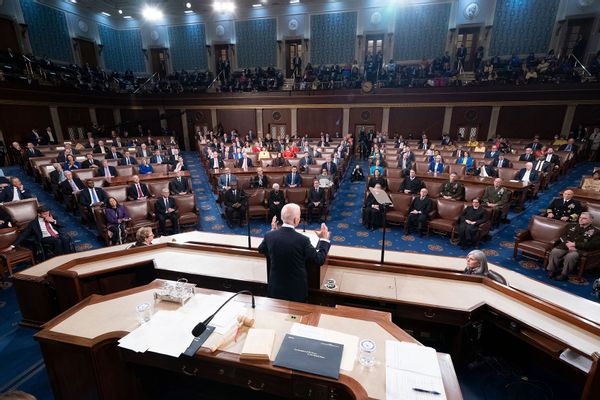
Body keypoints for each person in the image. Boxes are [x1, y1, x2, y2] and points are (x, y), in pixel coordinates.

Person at [258, 203, 331, 302]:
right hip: (296, 291)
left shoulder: (269, 236)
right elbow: (319, 260)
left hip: (275, 288)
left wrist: (273, 231)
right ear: (296, 220)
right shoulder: (303, 240)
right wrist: (324, 240)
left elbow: (261, 249)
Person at [546, 212, 600, 281]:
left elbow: (592, 244)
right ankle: (551, 270)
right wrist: (568, 244)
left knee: (570, 256)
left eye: (584, 218)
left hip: (579, 250)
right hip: (566, 246)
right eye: (580, 217)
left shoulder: (596, 231)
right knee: (555, 251)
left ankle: (564, 274)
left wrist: (575, 245)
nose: (581, 219)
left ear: (590, 220)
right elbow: (563, 236)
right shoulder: (571, 225)